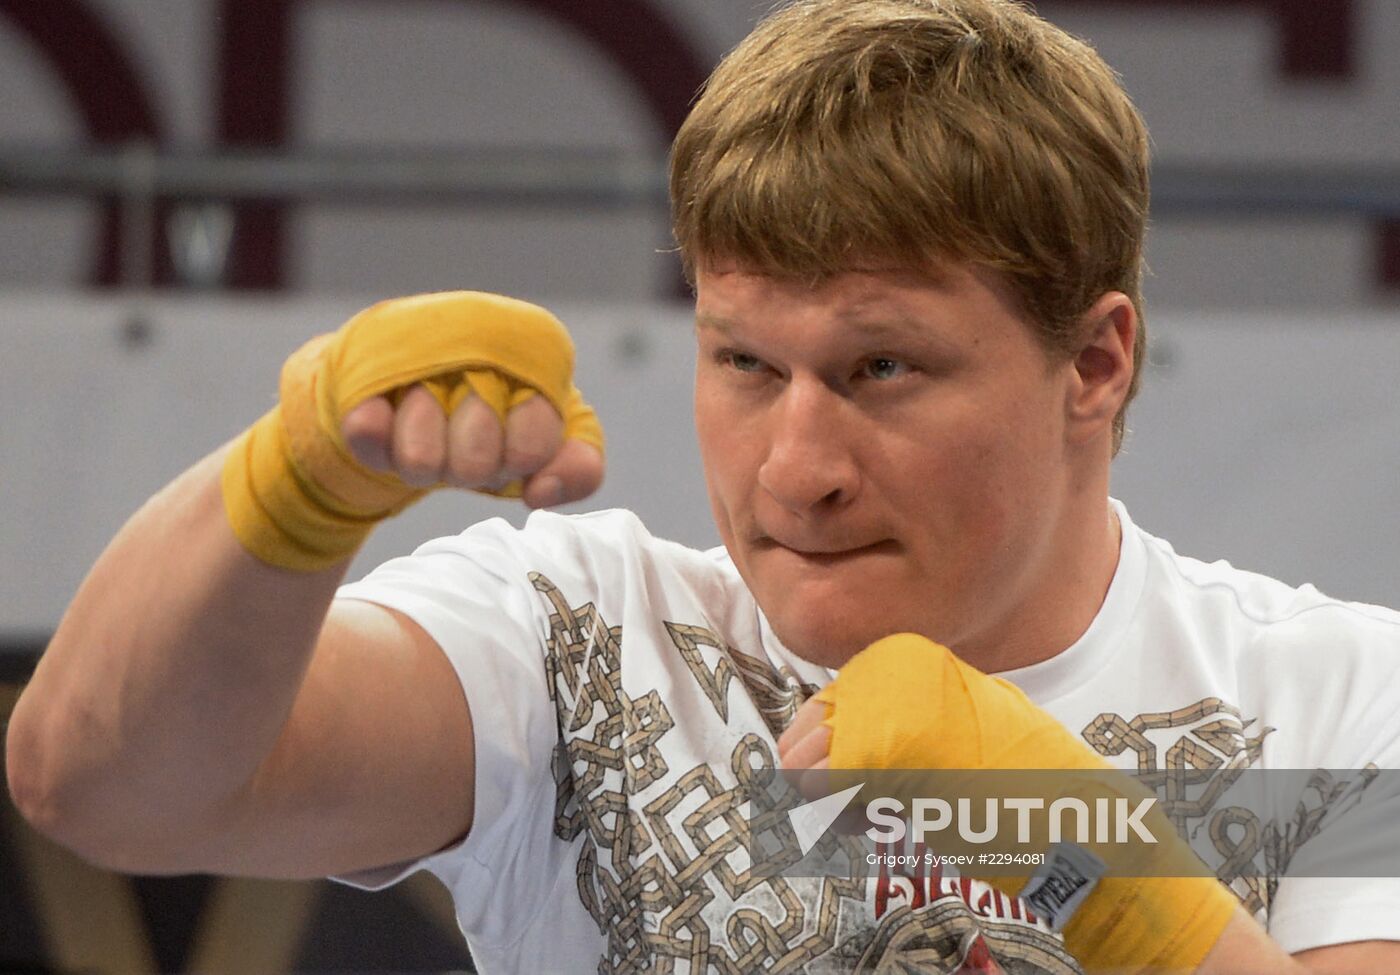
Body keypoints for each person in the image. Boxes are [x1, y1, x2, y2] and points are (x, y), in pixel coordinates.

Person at [6, 0, 1399, 970]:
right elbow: (103, 791)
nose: (795, 470)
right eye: (744, 362)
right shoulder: (582, 637)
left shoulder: (1343, 694)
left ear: (1094, 363)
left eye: (883, 370)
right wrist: (288, 484)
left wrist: (1082, 856)